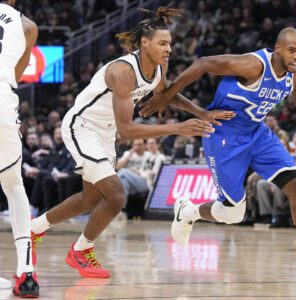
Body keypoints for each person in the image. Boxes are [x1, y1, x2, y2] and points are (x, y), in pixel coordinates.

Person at [140, 27, 296, 277]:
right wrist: (166, 96)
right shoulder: (253, 65)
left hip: (257, 133)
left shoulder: (294, 78)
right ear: (278, 48)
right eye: (292, 50)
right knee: (234, 214)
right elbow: (204, 63)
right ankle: (189, 210)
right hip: (224, 133)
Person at [30, 7, 234, 279]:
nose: (169, 49)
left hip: (105, 132)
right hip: (83, 126)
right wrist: (177, 128)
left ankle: (34, 229)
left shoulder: (160, 67)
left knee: (91, 199)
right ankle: (81, 250)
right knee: (115, 195)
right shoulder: (122, 71)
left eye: (170, 43)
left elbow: (165, 94)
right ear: (144, 43)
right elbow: (126, 131)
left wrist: (203, 113)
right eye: (163, 43)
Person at [0, 0, 39, 297]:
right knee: (14, 186)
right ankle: (26, 274)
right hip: (2, 102)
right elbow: (16, 73)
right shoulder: (28, 27)